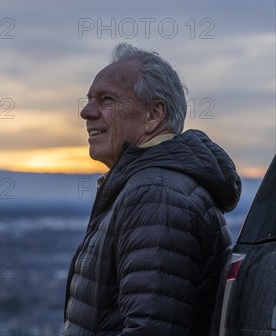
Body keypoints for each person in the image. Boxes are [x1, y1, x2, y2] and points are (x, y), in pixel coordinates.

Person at [64, 43, 241, 335]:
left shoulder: (156, 196)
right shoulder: (151, 187)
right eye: (88, 100)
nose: (86, 112)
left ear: (153, 115)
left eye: (106, 99)